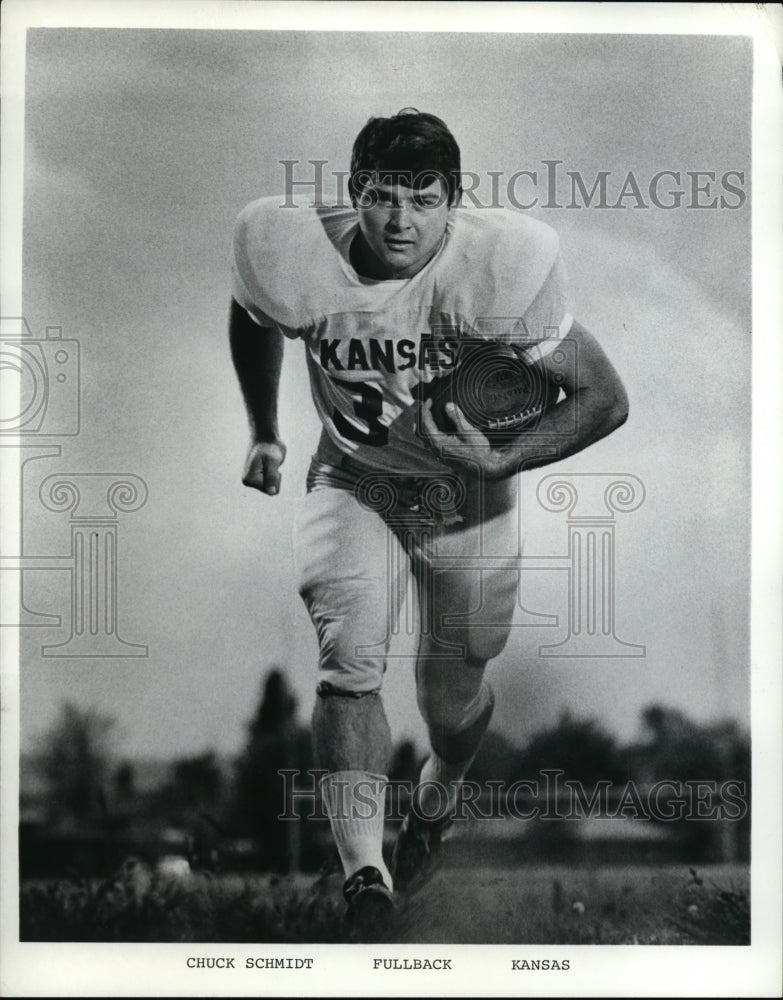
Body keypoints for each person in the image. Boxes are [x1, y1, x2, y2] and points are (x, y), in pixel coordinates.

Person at [229, 109, 628, 926]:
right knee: (349, 661)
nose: (400, 219)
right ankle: (366, 879)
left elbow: (602, 396)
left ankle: (436, 804)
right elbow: (254, 315)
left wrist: (504, 456)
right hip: (354, 478)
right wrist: (265, 430)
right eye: (380, 196)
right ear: (352, 194)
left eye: (422, 196)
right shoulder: (286, 246)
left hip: (467, 494)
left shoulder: (502, 266)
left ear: (454, 200)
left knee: (450, 703)